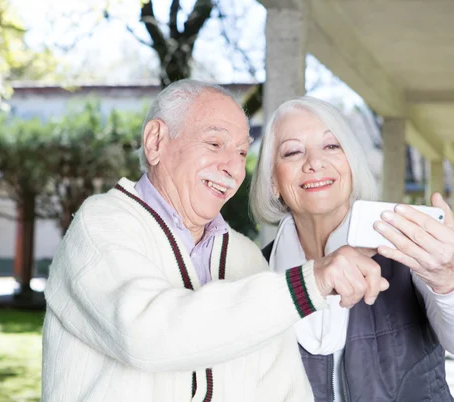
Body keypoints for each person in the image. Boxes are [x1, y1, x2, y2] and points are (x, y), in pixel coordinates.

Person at [42, 80, 388, 402]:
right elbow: (146, 336)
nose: (232, 168)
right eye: (214, 144)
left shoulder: (246, 257)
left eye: (240, 153)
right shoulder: (101, 225)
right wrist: (310, 282)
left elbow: (285, 391)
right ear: (156, 142)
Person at [251, 96, 454, 402]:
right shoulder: (254, 274)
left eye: (331, 146)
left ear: (352, 163)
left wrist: (447, 280)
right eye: (293, 151)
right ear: (272, 182)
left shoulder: (405, 245)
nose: (315, 162)